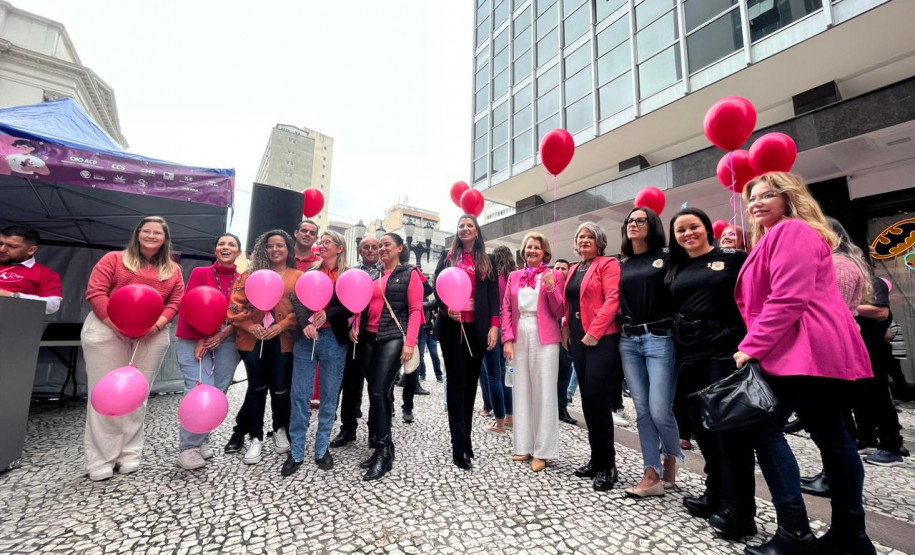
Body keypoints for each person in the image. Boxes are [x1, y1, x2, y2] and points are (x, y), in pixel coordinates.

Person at [735, 172, 874, 554]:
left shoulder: (790, 230)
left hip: (802, 346)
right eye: (752, 197)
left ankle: (795, 532)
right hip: (812, 347)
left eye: (767, 195)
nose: (757, 202)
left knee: (765, 428)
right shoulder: (783, 233)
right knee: (833, 436)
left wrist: (752, 345)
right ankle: (852, 535)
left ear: (789, 197)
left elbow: (788, 297)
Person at [666, 208, 757, 540]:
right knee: (702, 427)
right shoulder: (676, 266)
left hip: (724, 350)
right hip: (689, 353)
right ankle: (714, 493)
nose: (688, 234)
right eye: (681, 230)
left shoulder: (733, 257)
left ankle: (741, 511)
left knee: (730, 432)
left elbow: (755, 296)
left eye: (694, 227)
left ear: (707, 228)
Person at [81, 216, 185, 481]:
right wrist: (116, 324)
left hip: (151, 334)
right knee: (105, 395)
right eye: (146, 231)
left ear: (165, 239)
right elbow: (96, 293)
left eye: (157, 233)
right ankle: (101, 460)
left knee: (137, 396)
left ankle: (129, 454)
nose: (151, 236)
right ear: (138, 234)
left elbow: (175, 301)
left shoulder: (173, 269)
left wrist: (156, 326)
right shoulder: (114, 259)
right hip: (107, 331)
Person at [617, 207, 682, 498]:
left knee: (660, 410)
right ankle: (651, 473)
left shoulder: (667, 257)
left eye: (639, 220)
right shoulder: (622, 263)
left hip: (660, 339)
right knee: (642, 411)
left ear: (652, 224)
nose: (633, 224)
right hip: (629, 340)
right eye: (629, 221)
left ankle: (672, 456)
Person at [224, 230, 301, 465]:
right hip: (253, 340)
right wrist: (249, 325)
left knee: (281, 389)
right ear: (264, 249)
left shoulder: (298, 276)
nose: (275, 249)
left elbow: (303, 309)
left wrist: (283, 325)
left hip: (282, 340)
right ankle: (255, 437)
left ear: (288, 249)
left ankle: (280, 429)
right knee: (256, 388)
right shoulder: (249, 275)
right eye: (270, 246)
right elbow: (234, 307)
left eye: (280, 245)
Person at [352, 233, 423, 480]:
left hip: (392, 336)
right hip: (368, 338)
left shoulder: (409, 273)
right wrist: (355, 327)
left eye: (386, 245)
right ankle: (384, 446)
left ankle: (383, 452)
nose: (381, 249)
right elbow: (362, 304)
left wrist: (410, 344)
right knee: (375, 392)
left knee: (380, 391)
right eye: (380, 245)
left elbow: (415, 311)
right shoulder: (374, 274)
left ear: (399, 248)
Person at [283, 231, 353, 476]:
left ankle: (322, 448)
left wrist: (329, 314)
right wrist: (306, 323)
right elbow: (298, 299)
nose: (321, 246)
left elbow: (353, 303)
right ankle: (297, 451)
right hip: (307, 339)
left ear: (339, 248)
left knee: (329, 395)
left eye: (326, 242)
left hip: (335, 339)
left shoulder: (349, 275)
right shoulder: (311, 272)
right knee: (300, 394)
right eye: (320, 242)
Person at [433, 214, 500, 471]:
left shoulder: (488, 260)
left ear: (476, 231)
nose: (465, 228)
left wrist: (494, 326)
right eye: (461, 225)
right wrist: (446, 307)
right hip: (452, 328)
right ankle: (457, 446)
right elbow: (437, 287)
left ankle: (467, 440)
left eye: (469, 225)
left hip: (477, 328)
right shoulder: (448, 257)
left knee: (472, 383)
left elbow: (494, 297)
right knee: (457, 379)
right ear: (457, 231)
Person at [174, 233, 243, 470]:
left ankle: (202, 438)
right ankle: (188, 448)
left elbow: (244, 314)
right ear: (215, 250)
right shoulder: (200, 273)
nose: (226, 247)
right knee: (198, 390)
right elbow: (190, 305)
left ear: (239, 252)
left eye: (231, 245)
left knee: (218, 391)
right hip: (196, 339)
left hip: (226, 341)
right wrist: (201, 338)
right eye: (221, 244)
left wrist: (222, 335)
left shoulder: (243, 279)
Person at [563, 222, 621, 491]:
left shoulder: (607, 264)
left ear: (600, 242)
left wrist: (594, 331)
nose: (584, 240)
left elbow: (613, 297)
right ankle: (596, 459)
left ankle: (608, 465)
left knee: (598, 398)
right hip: (577, 334)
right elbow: (570, 303)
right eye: (580, 237)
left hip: (600, 336)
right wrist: (568, 331)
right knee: (587, 400)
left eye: (590, 237)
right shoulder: (575, 268)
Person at [502, 232, 565, 472]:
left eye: (536, 247)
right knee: (522, 389)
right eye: (528, 247)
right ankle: (524, 445)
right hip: (520, 332)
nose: (531, 251)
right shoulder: (514, 276)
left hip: (545, 335)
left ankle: (543, 450)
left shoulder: (554, 275)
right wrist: (507, 339)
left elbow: (559, 310)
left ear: (545, 253)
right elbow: (506, 307)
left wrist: (551, 288)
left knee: (544, 390)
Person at [330, 236, 383, 449]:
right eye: (366, 247)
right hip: (354, 333)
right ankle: (348, 428)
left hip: (378, 334)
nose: (370, 250)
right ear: (360, 251)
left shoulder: (386, 272)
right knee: (351, 384)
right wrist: (348, 327)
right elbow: (342, 302)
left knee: (377, 385)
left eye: (374, 246)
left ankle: (375, 430)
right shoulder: (350, 273)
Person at [854, 276, 906, 467]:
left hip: (874, 350)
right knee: (860, 398)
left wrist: (846, 305)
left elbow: (881, 312)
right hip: (860, 349)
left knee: (880, 397)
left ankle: (891, 447)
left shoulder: (874, 282)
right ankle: (867, 438)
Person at [482, 245, 515, 435]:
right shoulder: (514, 277)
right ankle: (510, 417)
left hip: (493, 327)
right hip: (508, 329)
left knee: (493, 375)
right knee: (504, 375)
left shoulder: (494, 278)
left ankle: (499, 422)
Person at [0, 225, 62, 314]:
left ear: (31, 250)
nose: (2, 249)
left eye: (12, 246)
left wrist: (12, 296)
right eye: (0, 244)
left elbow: (52, 305)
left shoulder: (45, 274)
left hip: (13, 322)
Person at [553, 259, 577, 425]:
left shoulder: (571, 290)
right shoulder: (548, 288)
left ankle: (561, 408)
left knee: (564, 374)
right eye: (557, 267)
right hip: (549, 337)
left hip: (566, 337)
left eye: (563, 268)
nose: (560, 270)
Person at [418, 287, 443, 382]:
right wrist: (439, 297)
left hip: (430, 330)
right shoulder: (419, 299)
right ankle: (422, 374)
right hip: (422, 330)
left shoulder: (427, 298)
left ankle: (438, 375)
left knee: (434, 354)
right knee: (420, 355)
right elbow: (427, 305)